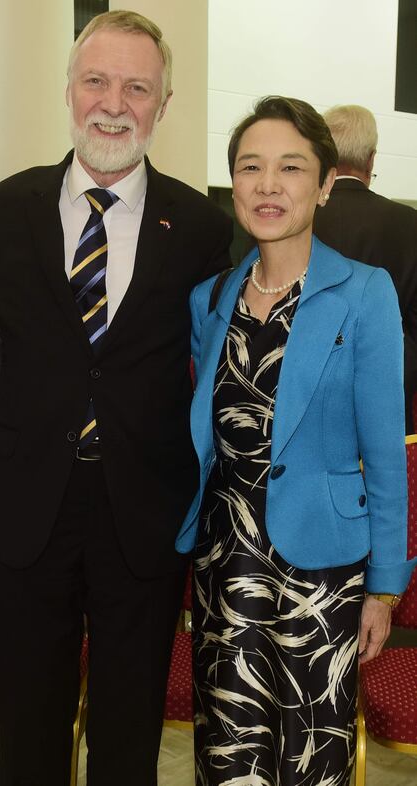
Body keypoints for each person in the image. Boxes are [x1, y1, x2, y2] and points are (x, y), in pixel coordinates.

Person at [0, 10, 232, 786]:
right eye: (97, 81)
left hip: (142, 512)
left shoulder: (203, 226)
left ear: (164, 104)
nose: (114, 103)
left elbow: (223, 360)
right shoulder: (5, 211)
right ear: (70, 90)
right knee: (31, 732)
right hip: (28, 507)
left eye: (137, 87)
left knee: (128, 731)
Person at [177, 95, 416, 785]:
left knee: (310, 755)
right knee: (227, 751)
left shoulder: (365, 292)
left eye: (291, 167)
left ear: (326, 183)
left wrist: (384, 589)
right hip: (225, 564)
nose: (269, 184)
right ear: (234, 183)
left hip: (325, 574)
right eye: (251, 167)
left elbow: (385, 450)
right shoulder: (212, 298)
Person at [313, 104, 417, 431]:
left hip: (307, 395)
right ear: (371, 159)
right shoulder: (410, 224)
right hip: (389, 393)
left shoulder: (297, 219)